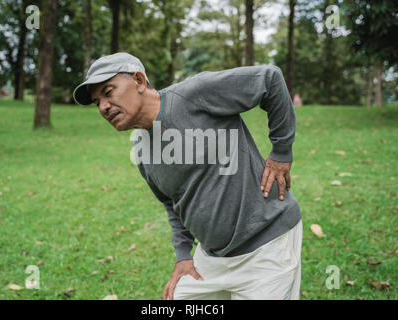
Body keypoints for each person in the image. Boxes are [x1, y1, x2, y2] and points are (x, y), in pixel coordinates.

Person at [73, 52, 303, 300]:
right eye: (97, 102)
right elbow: (173, 204)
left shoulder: (193, 94)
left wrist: (281, 152)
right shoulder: (141, 152)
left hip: (267, 249)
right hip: (212, 261)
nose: (104, 107)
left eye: (108, 92)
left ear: (139, 81)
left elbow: (270, 79)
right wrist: (183, 254)